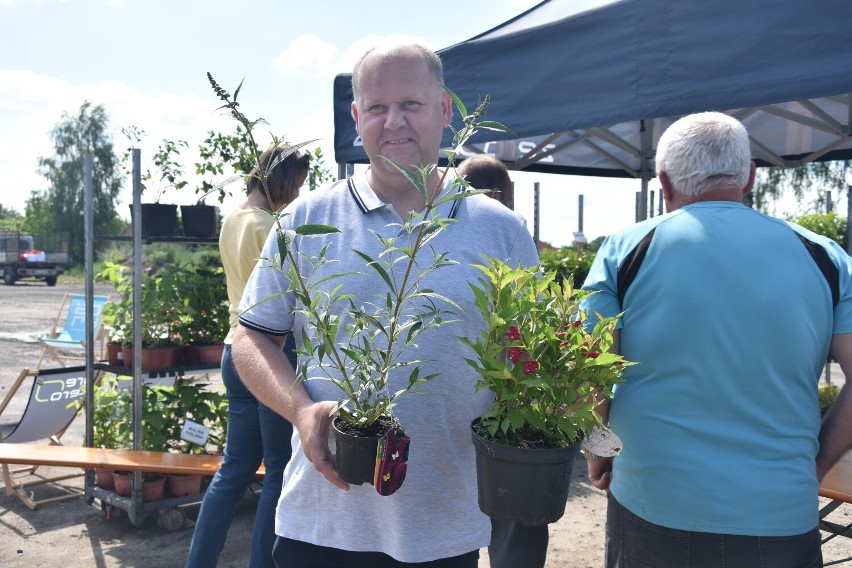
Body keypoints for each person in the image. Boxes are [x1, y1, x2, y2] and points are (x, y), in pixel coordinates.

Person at [232, 43, 539, 567]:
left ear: (445, 110)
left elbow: (529, 352)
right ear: (357, 118)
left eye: (411, 105)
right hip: (323, 523)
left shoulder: (500, 230)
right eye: (376, 107)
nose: (393, 122)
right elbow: (252, 336)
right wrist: (301, 411)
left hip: (446, 527)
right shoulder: (307, 221)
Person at [581, 111, 852, 567]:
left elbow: (588, 375)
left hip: (653, 506)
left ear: (663, 184)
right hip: (781, 515)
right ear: (749, 176)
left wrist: (599, 452)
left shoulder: (624, 250)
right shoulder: (825, 257)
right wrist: (818, 465)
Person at [185, 144, 309, 568]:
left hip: (232, 348)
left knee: (233, 469)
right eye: (296, 183)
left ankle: (197, 562)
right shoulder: (271, 226)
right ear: (282, 178)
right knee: (277, 469)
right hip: (271, 351)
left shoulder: (233, 218)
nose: (296, 194)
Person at [456, 154, 547, 568]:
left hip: (450, 414)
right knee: (513, 524)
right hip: (505, 408)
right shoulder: (507, 231)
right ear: (497, 195)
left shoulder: (427, 235)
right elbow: (534, 322)